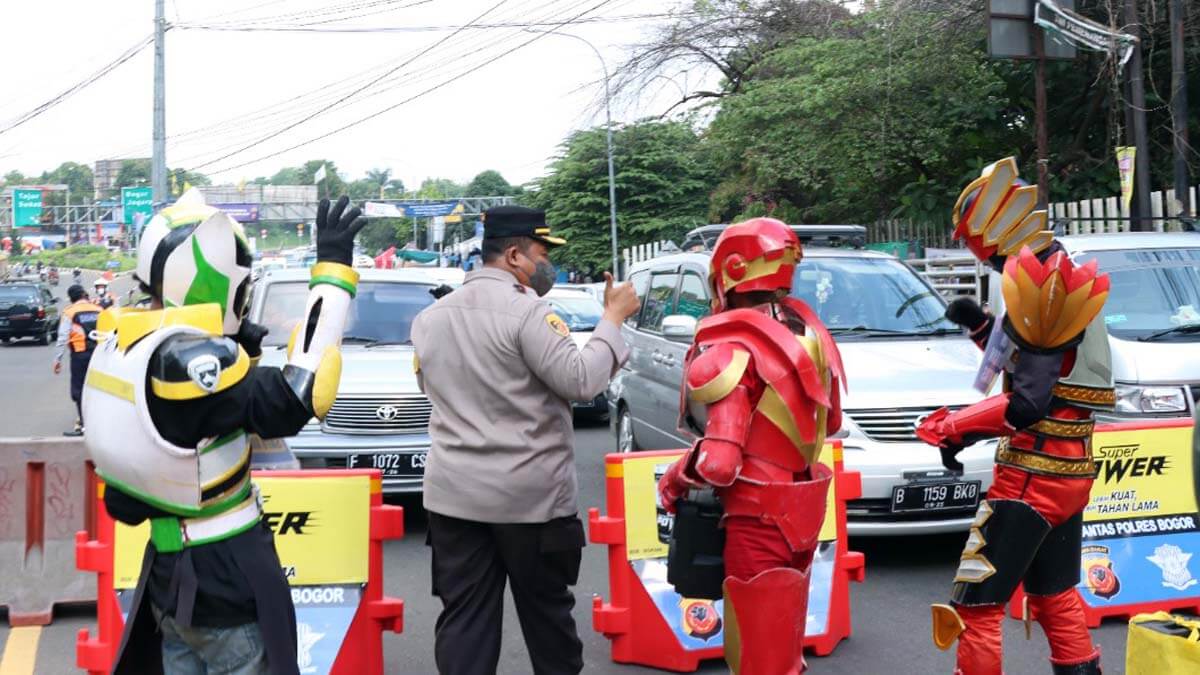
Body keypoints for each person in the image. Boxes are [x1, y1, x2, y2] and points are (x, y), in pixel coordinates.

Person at [82, 192, 366, 675]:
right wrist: (333, 274)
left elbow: (197, 425)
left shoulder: (119, 342)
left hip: (168, 578)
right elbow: (302, 396)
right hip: (226, 579)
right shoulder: (186, 364)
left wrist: (238, 345)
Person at [411, 205, 640, 675]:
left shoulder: (430, 318)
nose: (545, 264)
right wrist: (612, 319)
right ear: (514, 255)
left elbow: (429, 387)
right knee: (547, 619)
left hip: (454, 499)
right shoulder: (528, 313)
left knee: (465, 620)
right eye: (541, 253)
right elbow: (580, 380)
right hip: (530, 503)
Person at [917, 158, 1113, 675]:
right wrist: (983, 328)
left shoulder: (1047, 287)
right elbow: (1043, 366)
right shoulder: (1056, 274)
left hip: (1033, 477)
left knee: (976, 606)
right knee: (1054, 594)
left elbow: (1027, 403)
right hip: (1067, 473)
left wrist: (951, 426)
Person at [656, 218, 845, 674]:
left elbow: (720, 463)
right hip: (800, 508)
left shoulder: (730, 347)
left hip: (756, 516)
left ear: (729, 272)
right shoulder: (808, 336)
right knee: (785, 652)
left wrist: (676, 480)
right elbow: (831, 421)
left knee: (756, 657)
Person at [53, 284, 102, 436]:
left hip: (80, 355)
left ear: (72, 298)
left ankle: (85, 426)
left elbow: (62, 337)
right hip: (99, 355)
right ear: (84, 294)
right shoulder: (99, 310)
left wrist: (57, 359)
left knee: (79, 390)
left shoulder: (69, 312)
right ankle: (100, 425)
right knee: (99, 389)